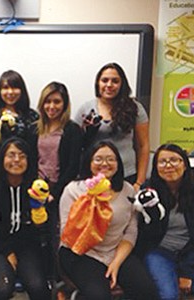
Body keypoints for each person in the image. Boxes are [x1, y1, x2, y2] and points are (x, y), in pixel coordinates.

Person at [58, 141, 158, 300]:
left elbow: (131, 231)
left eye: (111, 159)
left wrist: (116, 263)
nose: (104, 163)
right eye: (98, 159)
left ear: (118, 164)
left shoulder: (128, 190)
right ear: (89, 163)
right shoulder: (74, 189)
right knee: (99, 295)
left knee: (147, 291)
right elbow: (66, 232)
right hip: (81, 252)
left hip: (115, 250)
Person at [0, 137, 51, 300]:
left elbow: (41, 229)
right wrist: (6, 251)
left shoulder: (36, 189)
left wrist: (42, 217)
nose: (16, 160)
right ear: (2, 159)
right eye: (11, 155)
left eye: (22, 156)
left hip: (26, 246)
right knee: (3, 288)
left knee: (39, 288)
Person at [136, 144, 194, 300]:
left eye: (174, 160)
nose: (168, 165)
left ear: (185, 164)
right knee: (167, 295)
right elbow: (145, 235)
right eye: (162, 162)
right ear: (155, 167)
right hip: (160, 251)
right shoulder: (148, 191)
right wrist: (152, 213)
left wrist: (187, 271)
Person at [30, 81, 83, 279]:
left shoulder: (72, 130)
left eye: (57, 102)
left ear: (65, 104)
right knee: (37, 236)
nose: (52, 106)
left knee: (57, 238)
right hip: (36, 190)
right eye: (47, 102)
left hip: (60, 192)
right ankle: (40, 277)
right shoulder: (35, 128)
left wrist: (54, 193)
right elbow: (30, 160)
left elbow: (72, 166)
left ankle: (58, 280)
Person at [75, 63, 149, 191]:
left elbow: (143, 146)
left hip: (127, 176)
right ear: (98, 83)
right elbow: (75, 145)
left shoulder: (135, 108)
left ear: (122, 84)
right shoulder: (86, 109)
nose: (109, 85)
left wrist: (139, 182)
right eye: (105, 80)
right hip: (94, 178)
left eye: (115, 81)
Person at [0, 70, 39, 181]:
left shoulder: (32, 116)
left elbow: (37, 149)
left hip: (25, 174)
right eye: (5, 88)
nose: (10, 92)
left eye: (15, 88)